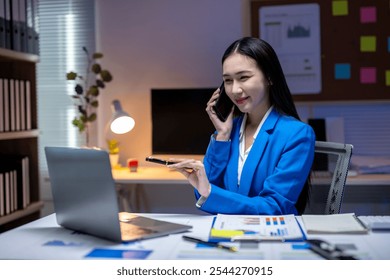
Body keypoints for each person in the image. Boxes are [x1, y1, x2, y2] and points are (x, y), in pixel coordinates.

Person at [169, 37, 315, 215]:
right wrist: (222, 135)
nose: (235, 90)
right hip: (228, 233)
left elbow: (274, 206)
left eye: (243, 77)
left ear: (269, 77)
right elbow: (204, 192)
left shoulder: (297, 134)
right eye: (228, 81)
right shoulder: (228, 131)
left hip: (271, 237)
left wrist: (210, 193)